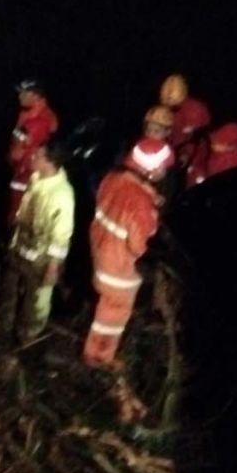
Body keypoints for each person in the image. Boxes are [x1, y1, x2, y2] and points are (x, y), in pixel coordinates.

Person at [84, 137, 172, 368]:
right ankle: (98, 358)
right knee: (112, 316)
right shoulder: (141, 204)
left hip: (100, 254)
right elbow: (139, 246)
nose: (165, 171)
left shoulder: (113, 178)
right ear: (151, 170)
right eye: (163, 167)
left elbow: (118, 203)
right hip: (119, 271)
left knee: (104, 305)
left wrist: (151, 198)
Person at [0, 141, 75, 344]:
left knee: (36, 302)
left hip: (40, 259)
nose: (33, 157)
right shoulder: (36, 178)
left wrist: (53, 267)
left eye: (38, 156)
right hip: (20, 248)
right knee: (9, 291)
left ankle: (28, 337)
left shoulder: (62, 195)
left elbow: (61, 235)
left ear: (50, 162)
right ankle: (2, 330)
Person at [7, 79, 59, 222]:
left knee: (19, 218)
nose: (20, 96)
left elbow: (17, 153)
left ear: (36, 96)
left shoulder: (39, 121)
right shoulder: (28, 114)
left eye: (24, 93)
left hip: (27, 175)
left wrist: (15, 156)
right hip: (22, 171)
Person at [159, 73, 211, 169]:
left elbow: (195, 138)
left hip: (196, 156)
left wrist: (186, 154)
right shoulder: (168, 109)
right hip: (174, 152)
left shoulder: (194, 110)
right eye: (168, 101)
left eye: (173, 100)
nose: (170, 104)